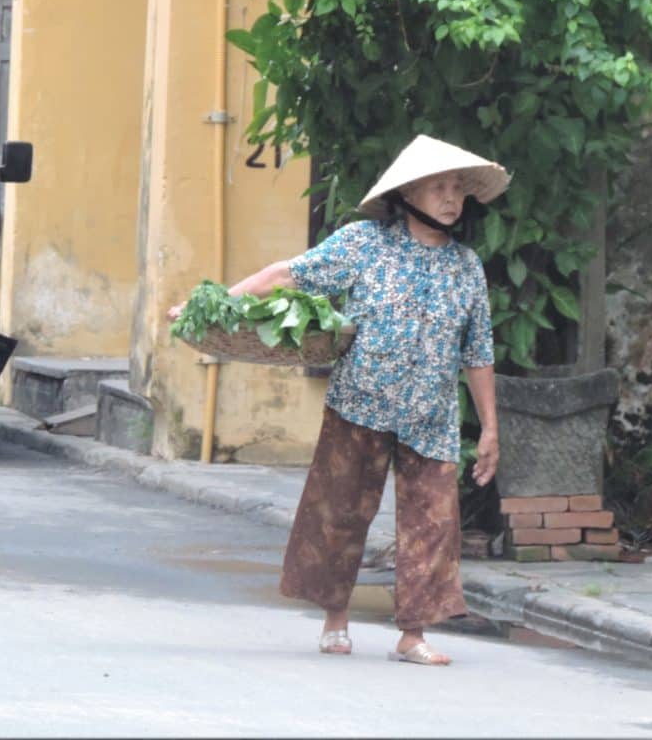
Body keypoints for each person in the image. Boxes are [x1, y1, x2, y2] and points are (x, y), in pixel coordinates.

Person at [170, 134, 508, 665]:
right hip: (360, 403)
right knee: (340, 512)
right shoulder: (364, 243)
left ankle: (413, 634)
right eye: (438, 187)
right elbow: (287, 274)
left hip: (433, 414)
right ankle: (335, 620)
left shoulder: (466, 267)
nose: (451, 198)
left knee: (433, 523)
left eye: (457, 188)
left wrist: (489, 428)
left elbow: (478, 352)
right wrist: (213, 302)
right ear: (410, 193)